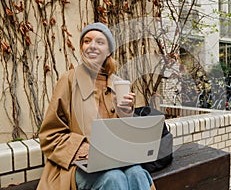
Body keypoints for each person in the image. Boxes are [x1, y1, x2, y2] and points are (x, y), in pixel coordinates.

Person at [37, 22, 155, 190]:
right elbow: (50, 136)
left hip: (116, 160)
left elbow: (123, 138)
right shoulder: (69, 80)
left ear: (108, 51)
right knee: (113, 178)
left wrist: (126, 116)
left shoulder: (118, 84)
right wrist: (86, 149)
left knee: (138, 174)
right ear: (81, 48)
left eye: (100, 42)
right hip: (76, 165)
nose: (92, 46)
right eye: (87, 41)